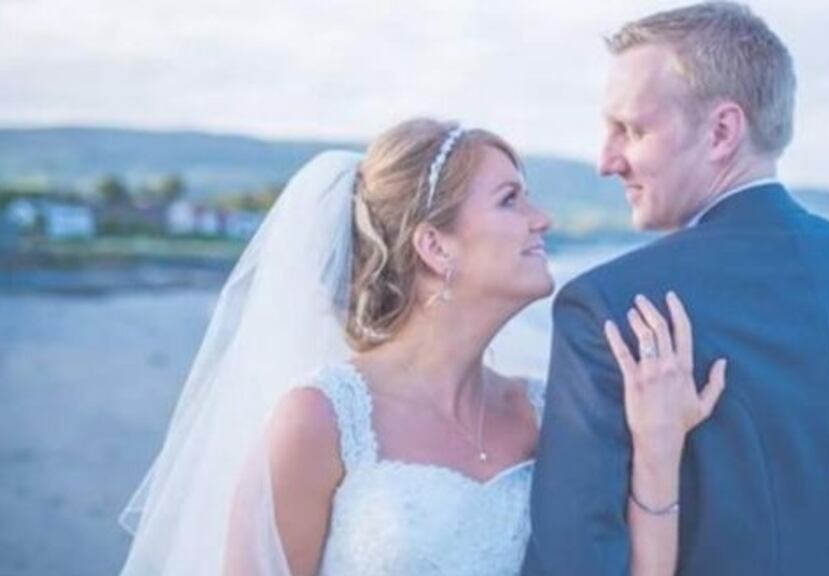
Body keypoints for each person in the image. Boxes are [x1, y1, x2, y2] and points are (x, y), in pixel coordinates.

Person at [118, 118, 726, 576]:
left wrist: (658, 446)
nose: (542, 218)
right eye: (510, 198)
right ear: (435, 246)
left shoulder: (547, 415)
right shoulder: (321, 419)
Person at [523, 3, 829, 575]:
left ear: (722, 131)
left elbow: (576, 562)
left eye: (632, 129)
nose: (607, 160)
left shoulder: (612, 308)